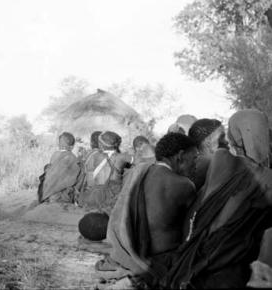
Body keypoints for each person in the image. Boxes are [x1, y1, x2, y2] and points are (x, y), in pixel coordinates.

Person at [161, 115, 272, 289]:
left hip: (191, 258)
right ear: (208, 144)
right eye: (222, 139)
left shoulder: (200, 168)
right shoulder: (228, 166)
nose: (227, 143)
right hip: (219, 262)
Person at [95, 133, 197, 285]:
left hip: (125, 255)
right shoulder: (184, 185)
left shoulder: (137, 172)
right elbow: (189, 233)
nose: (196, 164)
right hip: (161, 260)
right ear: (180, 156)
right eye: (194, 158)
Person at [38, 132, 82, 204]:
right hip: (61, 197)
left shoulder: (55, 155)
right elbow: (74, 179)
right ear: (72, 146)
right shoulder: (72, 158)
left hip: (45, 193)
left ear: (59, 144)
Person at [188, 118, 228, 190]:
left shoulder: (196, 163)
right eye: (222, 137)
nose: (226, 141)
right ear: (208, 141)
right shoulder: (209, 163)